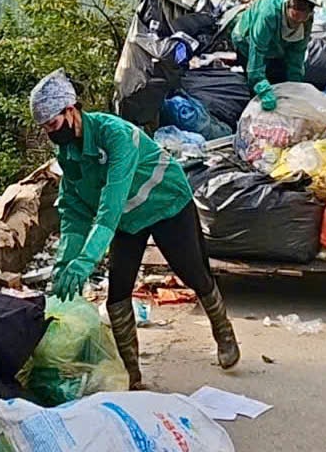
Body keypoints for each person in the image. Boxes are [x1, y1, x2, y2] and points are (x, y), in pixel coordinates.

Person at [29, 69, 240, 389]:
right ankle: (133, 376)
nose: (50, 132)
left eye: (53, 124)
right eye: (44, 127)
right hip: (129, 219)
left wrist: (86, 261)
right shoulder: (68, 152)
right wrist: (65, 262)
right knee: (117, 294)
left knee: (193, 273)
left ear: (70, 110)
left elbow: (109, 206)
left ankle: (224, 334)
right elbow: (73, 212)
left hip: (165, 204)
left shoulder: (115, 135)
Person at [231, 0, 320, 111]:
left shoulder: (307, 21)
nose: (297, 22)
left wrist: (295, 87)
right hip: (247, 40)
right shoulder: (268, 15)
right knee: (258, 87)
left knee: (279, 79)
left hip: (278, 46)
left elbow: (297, 54)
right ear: (289, 6)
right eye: (294, 15)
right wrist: (262, 89)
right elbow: (257, 55)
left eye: (302, 16)